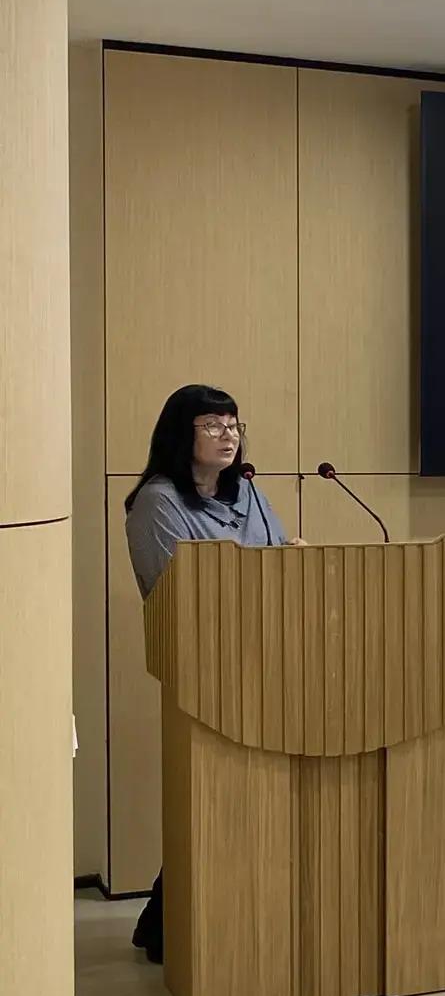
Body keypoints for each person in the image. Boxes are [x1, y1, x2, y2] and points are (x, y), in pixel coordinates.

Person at [124, 383, 292, 963]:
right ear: (182, 433)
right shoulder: (158, 501)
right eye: (214, 425)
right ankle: (175, 927)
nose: (229, 435)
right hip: (205, 668)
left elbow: (282, 557)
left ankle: (179, 924)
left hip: (271, 662)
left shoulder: (248, 490)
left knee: (245, 802)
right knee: (213, 802)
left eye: (234, 425)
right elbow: (184, 590)